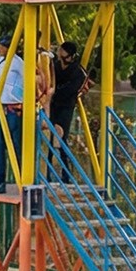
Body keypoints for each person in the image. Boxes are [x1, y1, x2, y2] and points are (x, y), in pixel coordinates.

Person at [47, 41, 88, 184]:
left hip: (65, 107)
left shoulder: (78, 72)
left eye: (62, 52)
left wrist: (54, 93)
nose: (59, 54)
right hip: (52, 106)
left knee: (61, 138)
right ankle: (46, 173)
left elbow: (71, 90)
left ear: (70, 56)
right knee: (49, 138)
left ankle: (67, 174)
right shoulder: (55, 66)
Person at [0, 39, 26, 189]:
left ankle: (22, 178)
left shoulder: (18, 62)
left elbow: (26, 79)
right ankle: (0, 179)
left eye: (3, 46)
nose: (0, 48)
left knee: (16, 145)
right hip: (1, 106)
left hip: (14, 106)